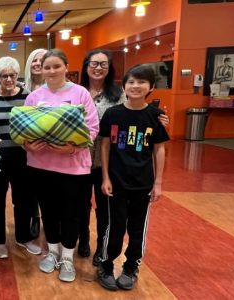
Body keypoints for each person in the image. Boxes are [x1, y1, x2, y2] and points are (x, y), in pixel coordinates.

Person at [77, 49, 169, 265]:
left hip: (108, 163)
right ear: (85, 66)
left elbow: (139, 115)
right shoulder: (77, 92)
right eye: (94, 63)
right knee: (81, 205)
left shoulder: (120, 94)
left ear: (110, 68)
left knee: (105, 209)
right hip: (78, 160)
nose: (98, 68)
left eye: (103, 64)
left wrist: (160, 122)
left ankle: (102, 247)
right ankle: (82, 240)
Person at [23, 49, 98, 282]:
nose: (51, 71)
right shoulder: (34, 96)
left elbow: (92, 129)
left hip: (73, 168)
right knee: (48, 211)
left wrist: (73, 149)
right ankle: (52, 252)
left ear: (66, 67)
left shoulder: (80, 93)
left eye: (56, 66)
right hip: (41, 165)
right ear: (41, 70)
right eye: (47, 67)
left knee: (71, 213)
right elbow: (23, 128)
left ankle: (67, 257)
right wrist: (27, 145)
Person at [97, 64, 169, 291]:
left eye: (141, 82)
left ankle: (130, 267)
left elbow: (159, 149)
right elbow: (105, 146)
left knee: (138, 228)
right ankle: (106, 266)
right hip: (117, 181)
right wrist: (105, 177)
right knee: (115, 226)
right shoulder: (113, 114)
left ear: (151, 87)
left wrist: (157, 183)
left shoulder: (156, 117)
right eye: (131, 82)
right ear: (124, 86)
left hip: (143, 183)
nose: (136, 86)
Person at [0, 57, 40, 259]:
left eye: (12, 75)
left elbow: (35, 124)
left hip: (22, 156)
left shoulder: (27, 96)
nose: (8, 79)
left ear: (17, 75)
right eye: (4, 76)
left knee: (23, 199)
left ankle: (24, 237)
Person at [23, 48, 47, 238]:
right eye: (34, 60)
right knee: (30, 187)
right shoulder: (23, 91)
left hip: (52, 148)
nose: (38, 63)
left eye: (42, 60)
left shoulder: (56, 89)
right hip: (27, 147)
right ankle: (35, 217)